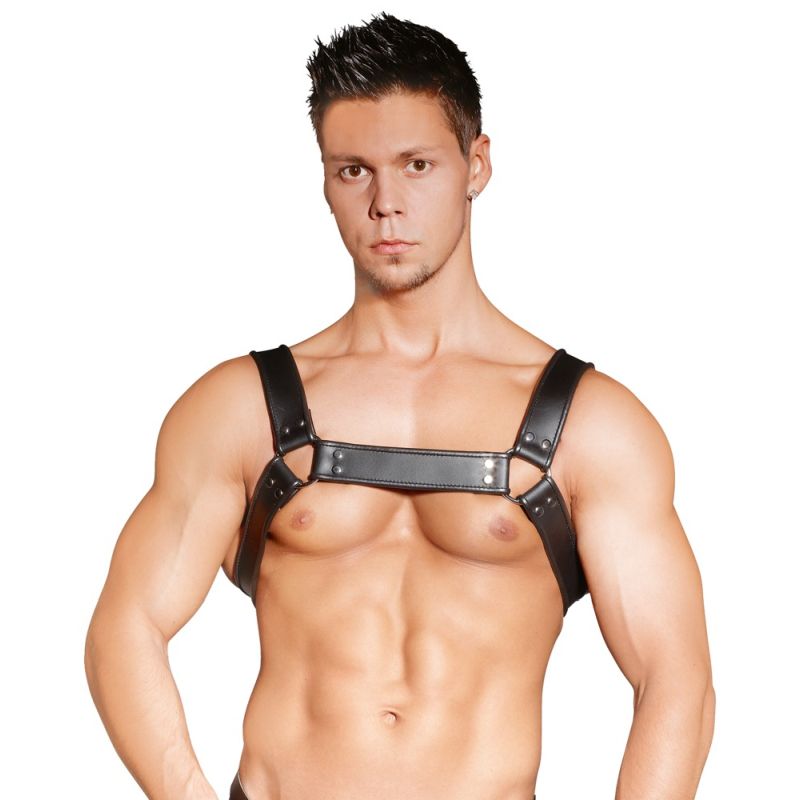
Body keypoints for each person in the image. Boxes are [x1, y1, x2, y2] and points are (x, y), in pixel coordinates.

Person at [84, 11, 715, 800]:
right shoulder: (240, 410)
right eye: (354, 170)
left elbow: (674, 679)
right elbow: (127, 625)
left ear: (476, 164)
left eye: (417, 164)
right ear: (325, 179)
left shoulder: (592, 426)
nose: (386, 202)